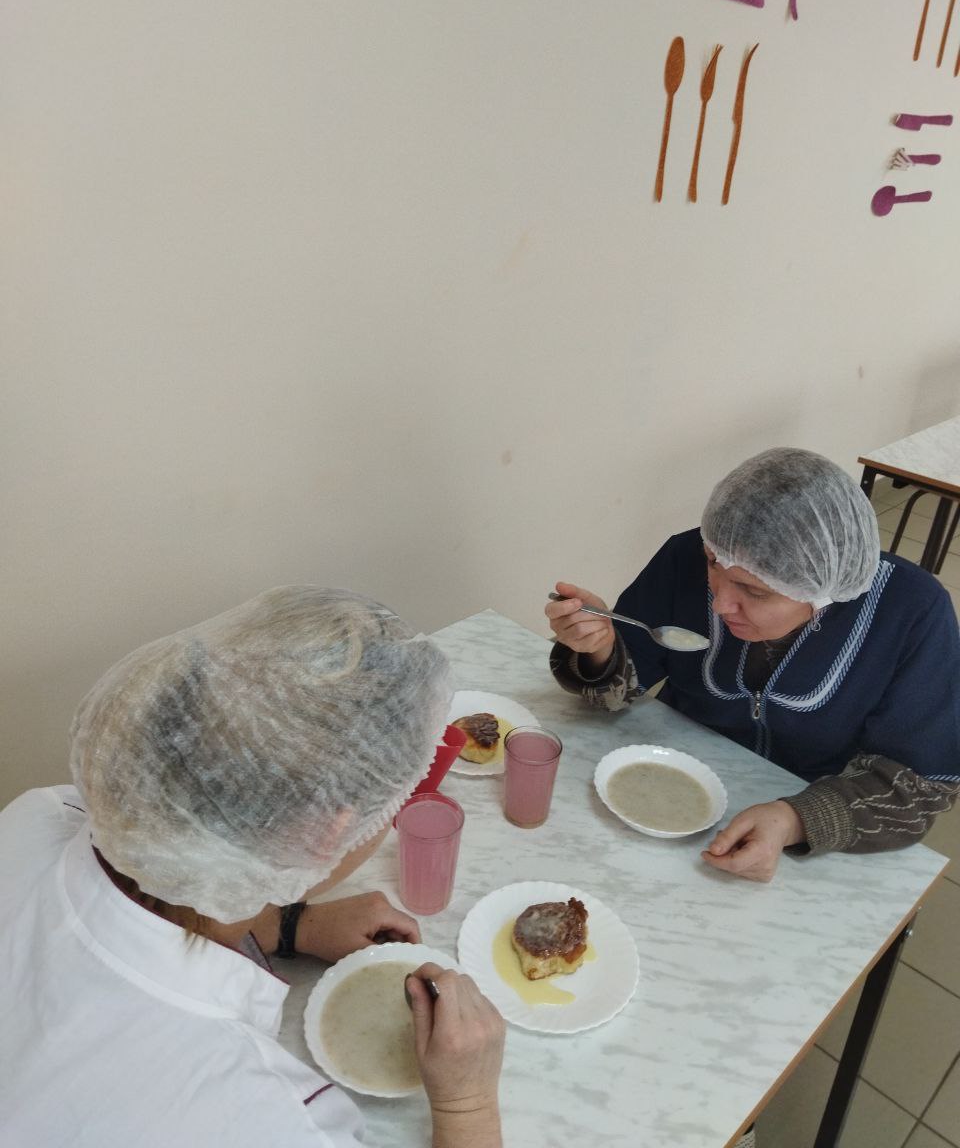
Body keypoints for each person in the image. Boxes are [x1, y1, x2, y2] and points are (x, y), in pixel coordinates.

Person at [0, 587, 505, 1148]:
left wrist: (288, 925)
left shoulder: (38, 815)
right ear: (327, 832)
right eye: (394, 798)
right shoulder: (263, 1117)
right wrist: (467, 1104)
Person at [547, 448, 960, 884]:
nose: (720, 601)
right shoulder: (685, 556)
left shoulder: (911, 613)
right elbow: (622, 680)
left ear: (821, 591)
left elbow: (920, 785)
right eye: (713, 563)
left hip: (807, 813)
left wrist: (794, 820)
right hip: (667, 786)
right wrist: (598, 647)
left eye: (754, 591)